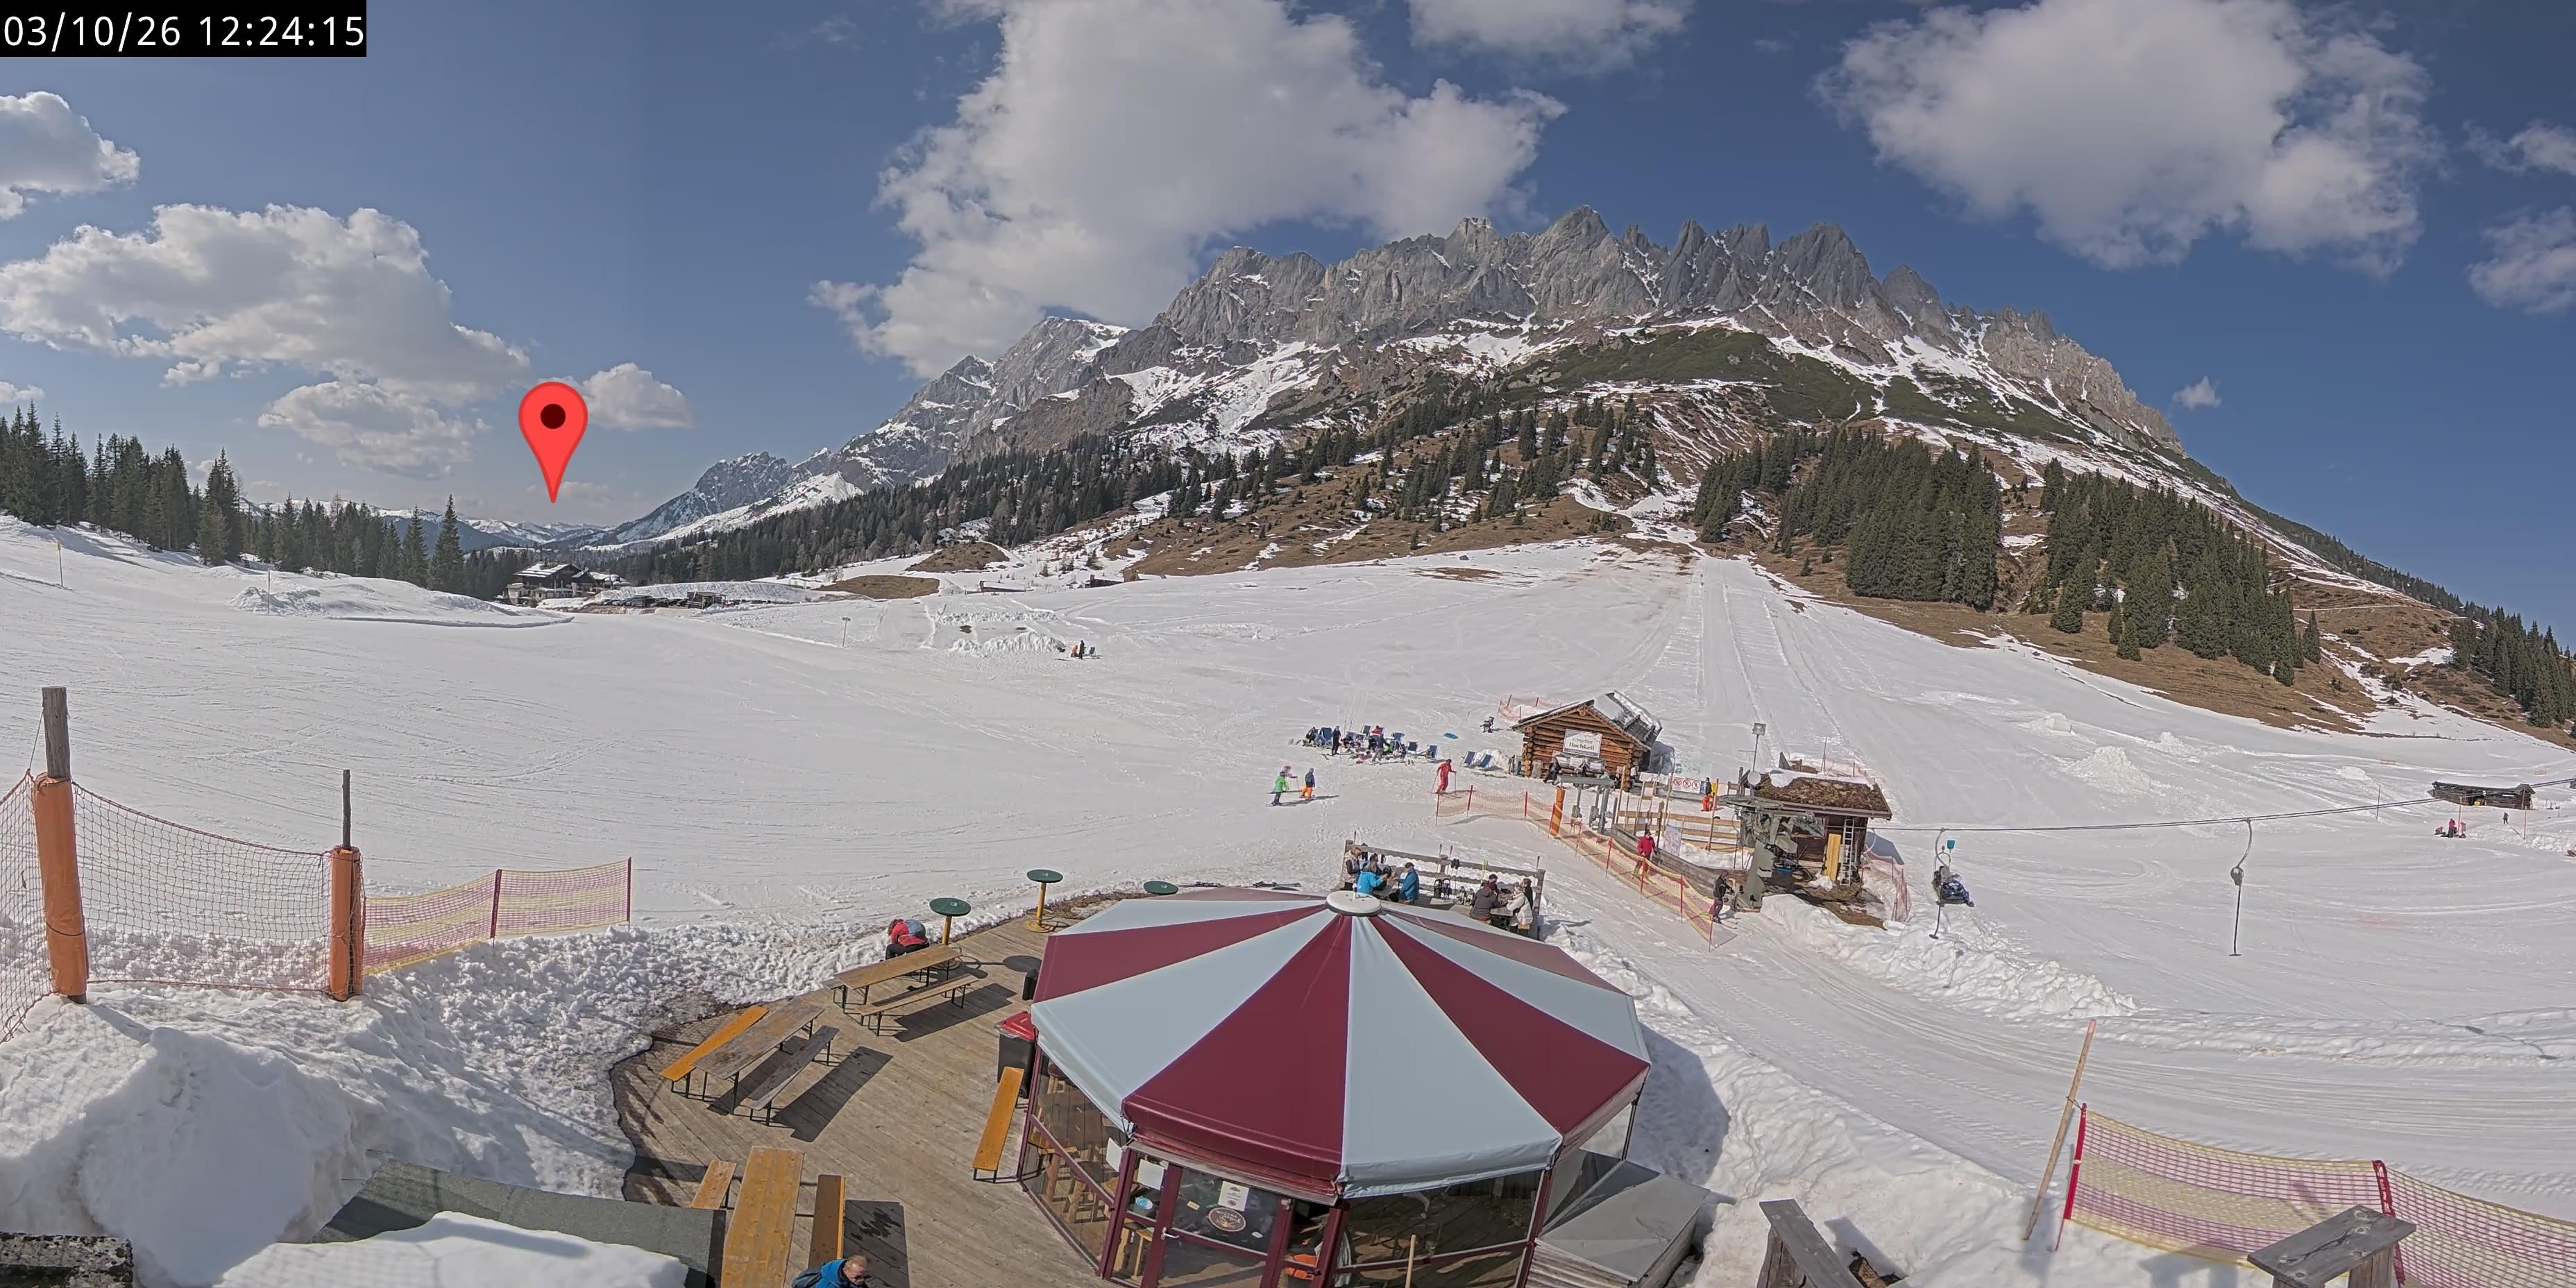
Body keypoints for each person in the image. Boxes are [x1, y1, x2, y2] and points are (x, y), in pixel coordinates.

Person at [792, 1251, 872, 1286]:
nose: (862, 1280)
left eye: (866, 1277)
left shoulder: (850, 1280)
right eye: (857, 1277)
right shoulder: (828, 1285)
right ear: (845, 1270)